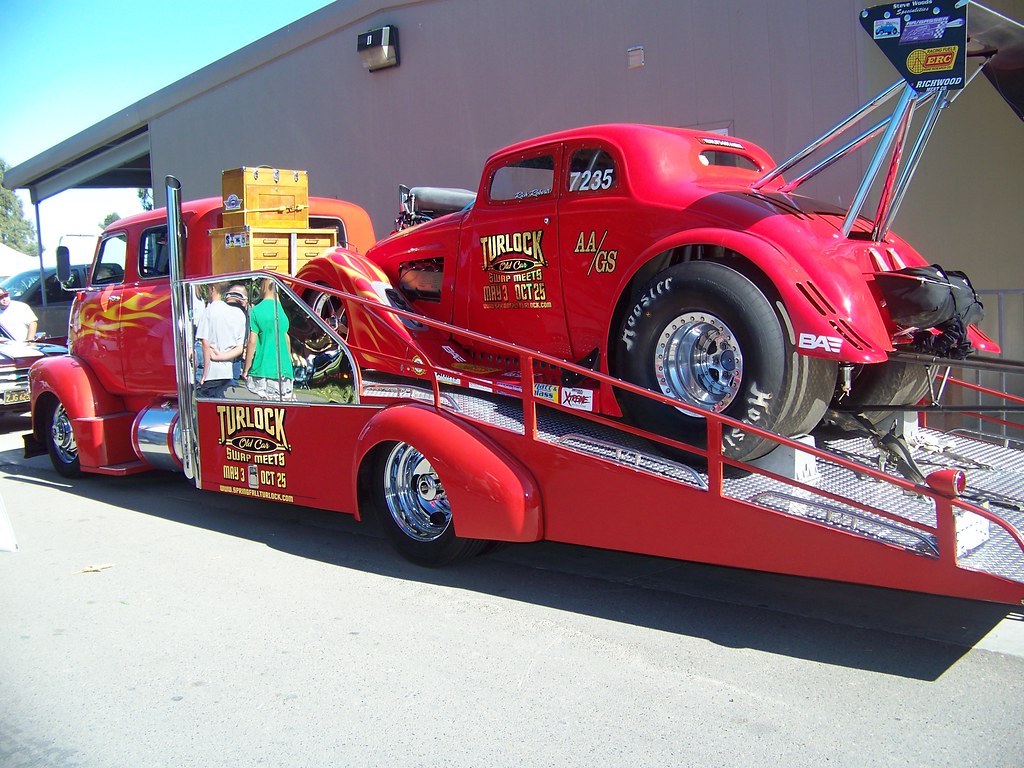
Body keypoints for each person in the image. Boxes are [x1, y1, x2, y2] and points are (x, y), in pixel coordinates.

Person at [242, 278, 294, 400]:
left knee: (266, 409)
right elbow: (286, 338)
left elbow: (252, 341)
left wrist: (246, 368)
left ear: (263, 287)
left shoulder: (256, 311)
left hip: (264, 367)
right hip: (284, 368)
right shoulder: (281, 311)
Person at [195, 282, 246, 398]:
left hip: (212, 373)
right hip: (227, 371)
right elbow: (239, 348)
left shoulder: (209, 311)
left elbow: (205, 343)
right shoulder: (238, 314)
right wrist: (222, 356)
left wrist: (204, 374)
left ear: (212, 289)